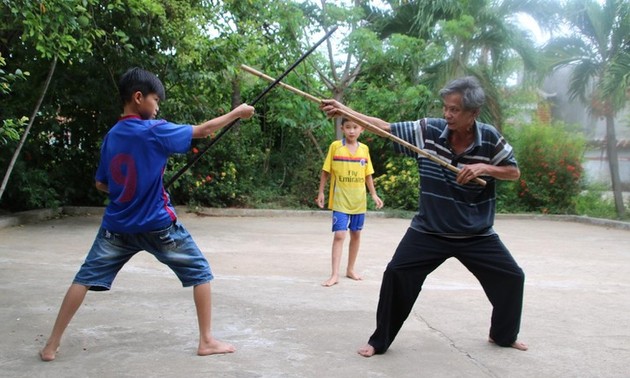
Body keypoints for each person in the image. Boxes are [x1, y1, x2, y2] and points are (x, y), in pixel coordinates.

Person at [39, 67, 255, 361]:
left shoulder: (111, 137)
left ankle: (51, 344)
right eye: (155, 100)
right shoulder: (154, 130)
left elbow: (102, 184)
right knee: (200, 272)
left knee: (84, 278)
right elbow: (202, 131)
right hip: (158, 225)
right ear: (138, 97)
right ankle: (206, 341)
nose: (157, 107)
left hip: (117, 226)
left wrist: (131, 184)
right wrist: (237, 112)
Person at [320, 76, 527, 356]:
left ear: (473, 113)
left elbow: (513, 172)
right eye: (446, 107)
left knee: (512, 277)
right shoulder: (430, 130)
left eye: (455, 110)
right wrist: (345, 110)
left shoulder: (489, 138)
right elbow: (384, 128)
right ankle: (379, 341)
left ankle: (503, 335)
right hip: (429, 231)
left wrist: (484, 168)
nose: (448, 114)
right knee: (396, 274)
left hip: (476, 234)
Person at [317, 118, 384, 287]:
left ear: (362, 129)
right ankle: (334, 275)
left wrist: (374, 195)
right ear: (342, 129)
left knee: (356, 234)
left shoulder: (364, 149)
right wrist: (321, 192)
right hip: (340, 200)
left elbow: (368, 175)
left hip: (358, 201)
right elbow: (326, 171)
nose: (351, 131)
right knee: (340, 235)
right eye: (348, 127)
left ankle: (350, 269)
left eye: (355, 127)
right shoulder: (335, 147)